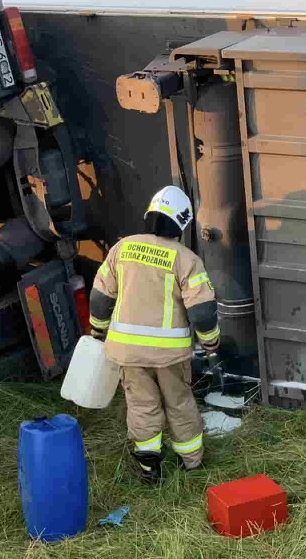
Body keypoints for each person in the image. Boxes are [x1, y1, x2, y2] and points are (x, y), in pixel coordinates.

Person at [89, 185, 220, 482]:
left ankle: (149, 468)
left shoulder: (122, 249)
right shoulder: (186, 259)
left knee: (142, 405)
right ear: (183, 223)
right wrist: (211, 344)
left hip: (128, 353)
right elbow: (202, 312)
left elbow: (100, 299)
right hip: (170, 355)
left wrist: (98, 332)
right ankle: (192, 464)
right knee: (179, 402)